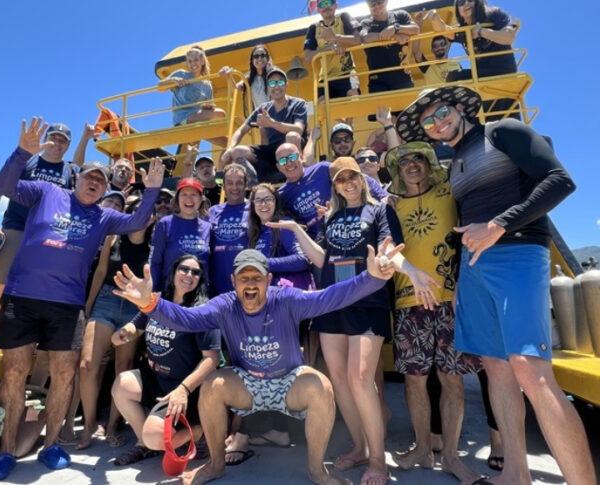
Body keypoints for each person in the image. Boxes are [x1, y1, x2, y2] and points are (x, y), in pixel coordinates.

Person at [395, 85, 595, 484]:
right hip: (474, 267)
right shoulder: (452, 165)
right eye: (429, 121)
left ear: (460, 107)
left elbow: (560, 180)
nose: (438, 123)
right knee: (496, 368)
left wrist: (500, 225)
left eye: (443, 112)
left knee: (531, 371)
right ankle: (516, 475)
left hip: (518, 254)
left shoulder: (502, 131)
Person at [112, 246, 400, 485]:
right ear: (233, 281)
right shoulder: (224, 305)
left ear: (269, 279)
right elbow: (187, 319)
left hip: (287, 382)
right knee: (215, 383)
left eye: (257, 278)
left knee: (320, 385)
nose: (250, 283)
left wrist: (372, 278)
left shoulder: (287, 299)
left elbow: (331, 296)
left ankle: (316, 471)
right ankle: (215, 464)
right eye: (243, 278)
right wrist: (149, 304)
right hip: (247, 384)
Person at [0, 118, 165, 481]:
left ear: (104, 188)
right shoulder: (46, 193)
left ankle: (51, 445)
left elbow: (139, 220)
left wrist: (152, 190)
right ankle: (6, 452)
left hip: (66, 305)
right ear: (75, 178)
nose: (94, 182)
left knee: (65, 375)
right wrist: (22, 153)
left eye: (100, 180)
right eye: (89, 177)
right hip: (22, 297)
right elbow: (5, 186)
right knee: (14, 373)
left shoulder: (103, 216)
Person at [271, 157, 436, 485]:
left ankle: (378, 460)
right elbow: (322, 259)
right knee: (341, 379)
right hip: (333, 301)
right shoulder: (330, 216)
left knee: (361, 377)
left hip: (367, 300)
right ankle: (360, 447)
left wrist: (411, 270)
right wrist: (296, 230)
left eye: (352, 177)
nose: (348, 183)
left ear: (361, 179)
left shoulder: (379, 211)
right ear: (334, 185)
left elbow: (390, 251)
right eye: (340, 179)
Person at [383, 142, 482, 483]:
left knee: (453, 380)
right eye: (404, 161)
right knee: (414, 380)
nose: (411, 165)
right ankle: (423, 449)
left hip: (450, 299)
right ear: (397, 170)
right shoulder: (389, 207)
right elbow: (387, 250)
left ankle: (452, 456)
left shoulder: (448, 193)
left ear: (429, 164)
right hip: (409, 303)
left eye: (418, 159)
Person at [0, 123, 85, 360]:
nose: (58, 144)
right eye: (54, 138)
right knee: (1, 288)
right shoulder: (29, 161)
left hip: (48, 236)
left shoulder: (70, 172)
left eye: (63, 141)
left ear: (68, 145)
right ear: (46, 139)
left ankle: (28, 346)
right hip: (17, 228)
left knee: (38, 291)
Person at [224, 183, 313, 463]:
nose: (263, 204)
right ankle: (275, 430)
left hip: (285, 307)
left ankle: (280, 431)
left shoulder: (283, 227)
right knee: (263, 365)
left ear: (275, 201)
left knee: (280, 367)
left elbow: (303, 259)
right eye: (257, 200)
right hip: (263, 307)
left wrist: (264, 265)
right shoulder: (255, 231)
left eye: (267, 199)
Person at [110, 255, 221, 466]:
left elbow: (211, 359)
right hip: (156, 377)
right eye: (184, 269)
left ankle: (199, 431)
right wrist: (124, 333)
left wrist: (183, 390)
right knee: (122, 385)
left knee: (156, 437)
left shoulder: (203, 311)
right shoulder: (158, 300)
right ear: (173, 271)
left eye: (195, 272)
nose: (189, 275)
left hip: (184, 386)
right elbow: (138, 325)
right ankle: (144, 445)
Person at [76, 197, 155, 450]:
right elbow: (100, 271)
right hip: (106, 300)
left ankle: (112, 425)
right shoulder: (113, 238)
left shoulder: (154, 247)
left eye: (147, 215)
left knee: (124, 368)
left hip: (134, 306)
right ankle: (89, 424)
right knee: (88, 364)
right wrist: (88, 306)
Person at [427, 0, 520, 119]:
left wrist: (482, 32)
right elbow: (445, 31)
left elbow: (509, 37)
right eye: (461, 2)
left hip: (502, 73)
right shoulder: (464, 30)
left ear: (479, 0)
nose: (466, 4)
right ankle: (460, 118)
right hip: (481, 76)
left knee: (510, 120)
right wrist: (435, 17)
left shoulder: (494, 14)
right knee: (453, 78)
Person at [276, 141, 387, 242]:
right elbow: (296, 225)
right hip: (320, 242)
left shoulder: (322, 169)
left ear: (301, 157)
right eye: (283, 160)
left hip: (349, 226)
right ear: (278, 167)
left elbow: (360, 178)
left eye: (292, 157)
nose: (289, 163)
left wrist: (382, 196)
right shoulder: (281, 195)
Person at [222, 67, 307, 183]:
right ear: (268, 87)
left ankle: (297, 176)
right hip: (271, 153)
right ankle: (254, 183)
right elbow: (240, 131)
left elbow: (299, 130)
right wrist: (230, 148)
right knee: (237, 151)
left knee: (292, 135)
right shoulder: (263, 108)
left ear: (286, 85)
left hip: (290, 150)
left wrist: (271, 123)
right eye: (272, 83)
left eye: (280, 82)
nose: (276, 86)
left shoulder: (298, 103)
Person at [149, 177, 212, 291]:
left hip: (198, 298)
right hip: (168, 295)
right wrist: (152, 293)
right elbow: (155, 263)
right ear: (177, 198)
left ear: (201, 199)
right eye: (184, 194)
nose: (189, 199)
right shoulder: (165, 224)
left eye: (193, 194)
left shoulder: (208, 228)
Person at [358, 0, 419, 93]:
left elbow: (415, 29)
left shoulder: (400, 15)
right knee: (379, 110)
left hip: (403, 78)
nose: (376, 5)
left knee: (407, 110)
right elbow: (364, 37)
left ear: (386, 0)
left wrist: (395, 28)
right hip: (377, 81)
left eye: (379, 1)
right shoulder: (366, 22)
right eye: (372, 3)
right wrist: (393, 37)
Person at [303, 0, 360, 102]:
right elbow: (308, 57)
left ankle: (348, 121)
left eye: (329, 2)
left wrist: (336, 38)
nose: (326, 6)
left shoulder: (344, 18)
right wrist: (328, 49)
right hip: (325, 77)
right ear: (318, 9)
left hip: (346, 72)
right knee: (322, 107)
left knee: (353, 100)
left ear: (336, 5)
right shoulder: (314, 28)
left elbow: (359, 40)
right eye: (322, 4)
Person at [207, 163, 250, 295]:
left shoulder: (256, 210)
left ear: (246, 184)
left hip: (248, 285)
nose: (235, 187)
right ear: (224, 186)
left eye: (239, 183)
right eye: (230, 183)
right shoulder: (212, 212)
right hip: (217, 288)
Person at [159, 45, 226, 128]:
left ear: (202, 61)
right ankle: (187, 128)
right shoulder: (181, 74)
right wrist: (173, 80)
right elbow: (160, 87)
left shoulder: (207, 85)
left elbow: (210, 106)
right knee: (220, 113)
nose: (193, 63)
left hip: (198, 119)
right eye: (190, 61)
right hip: (183, 119)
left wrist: (208, 106)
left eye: (196, 60)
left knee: (224, 140)